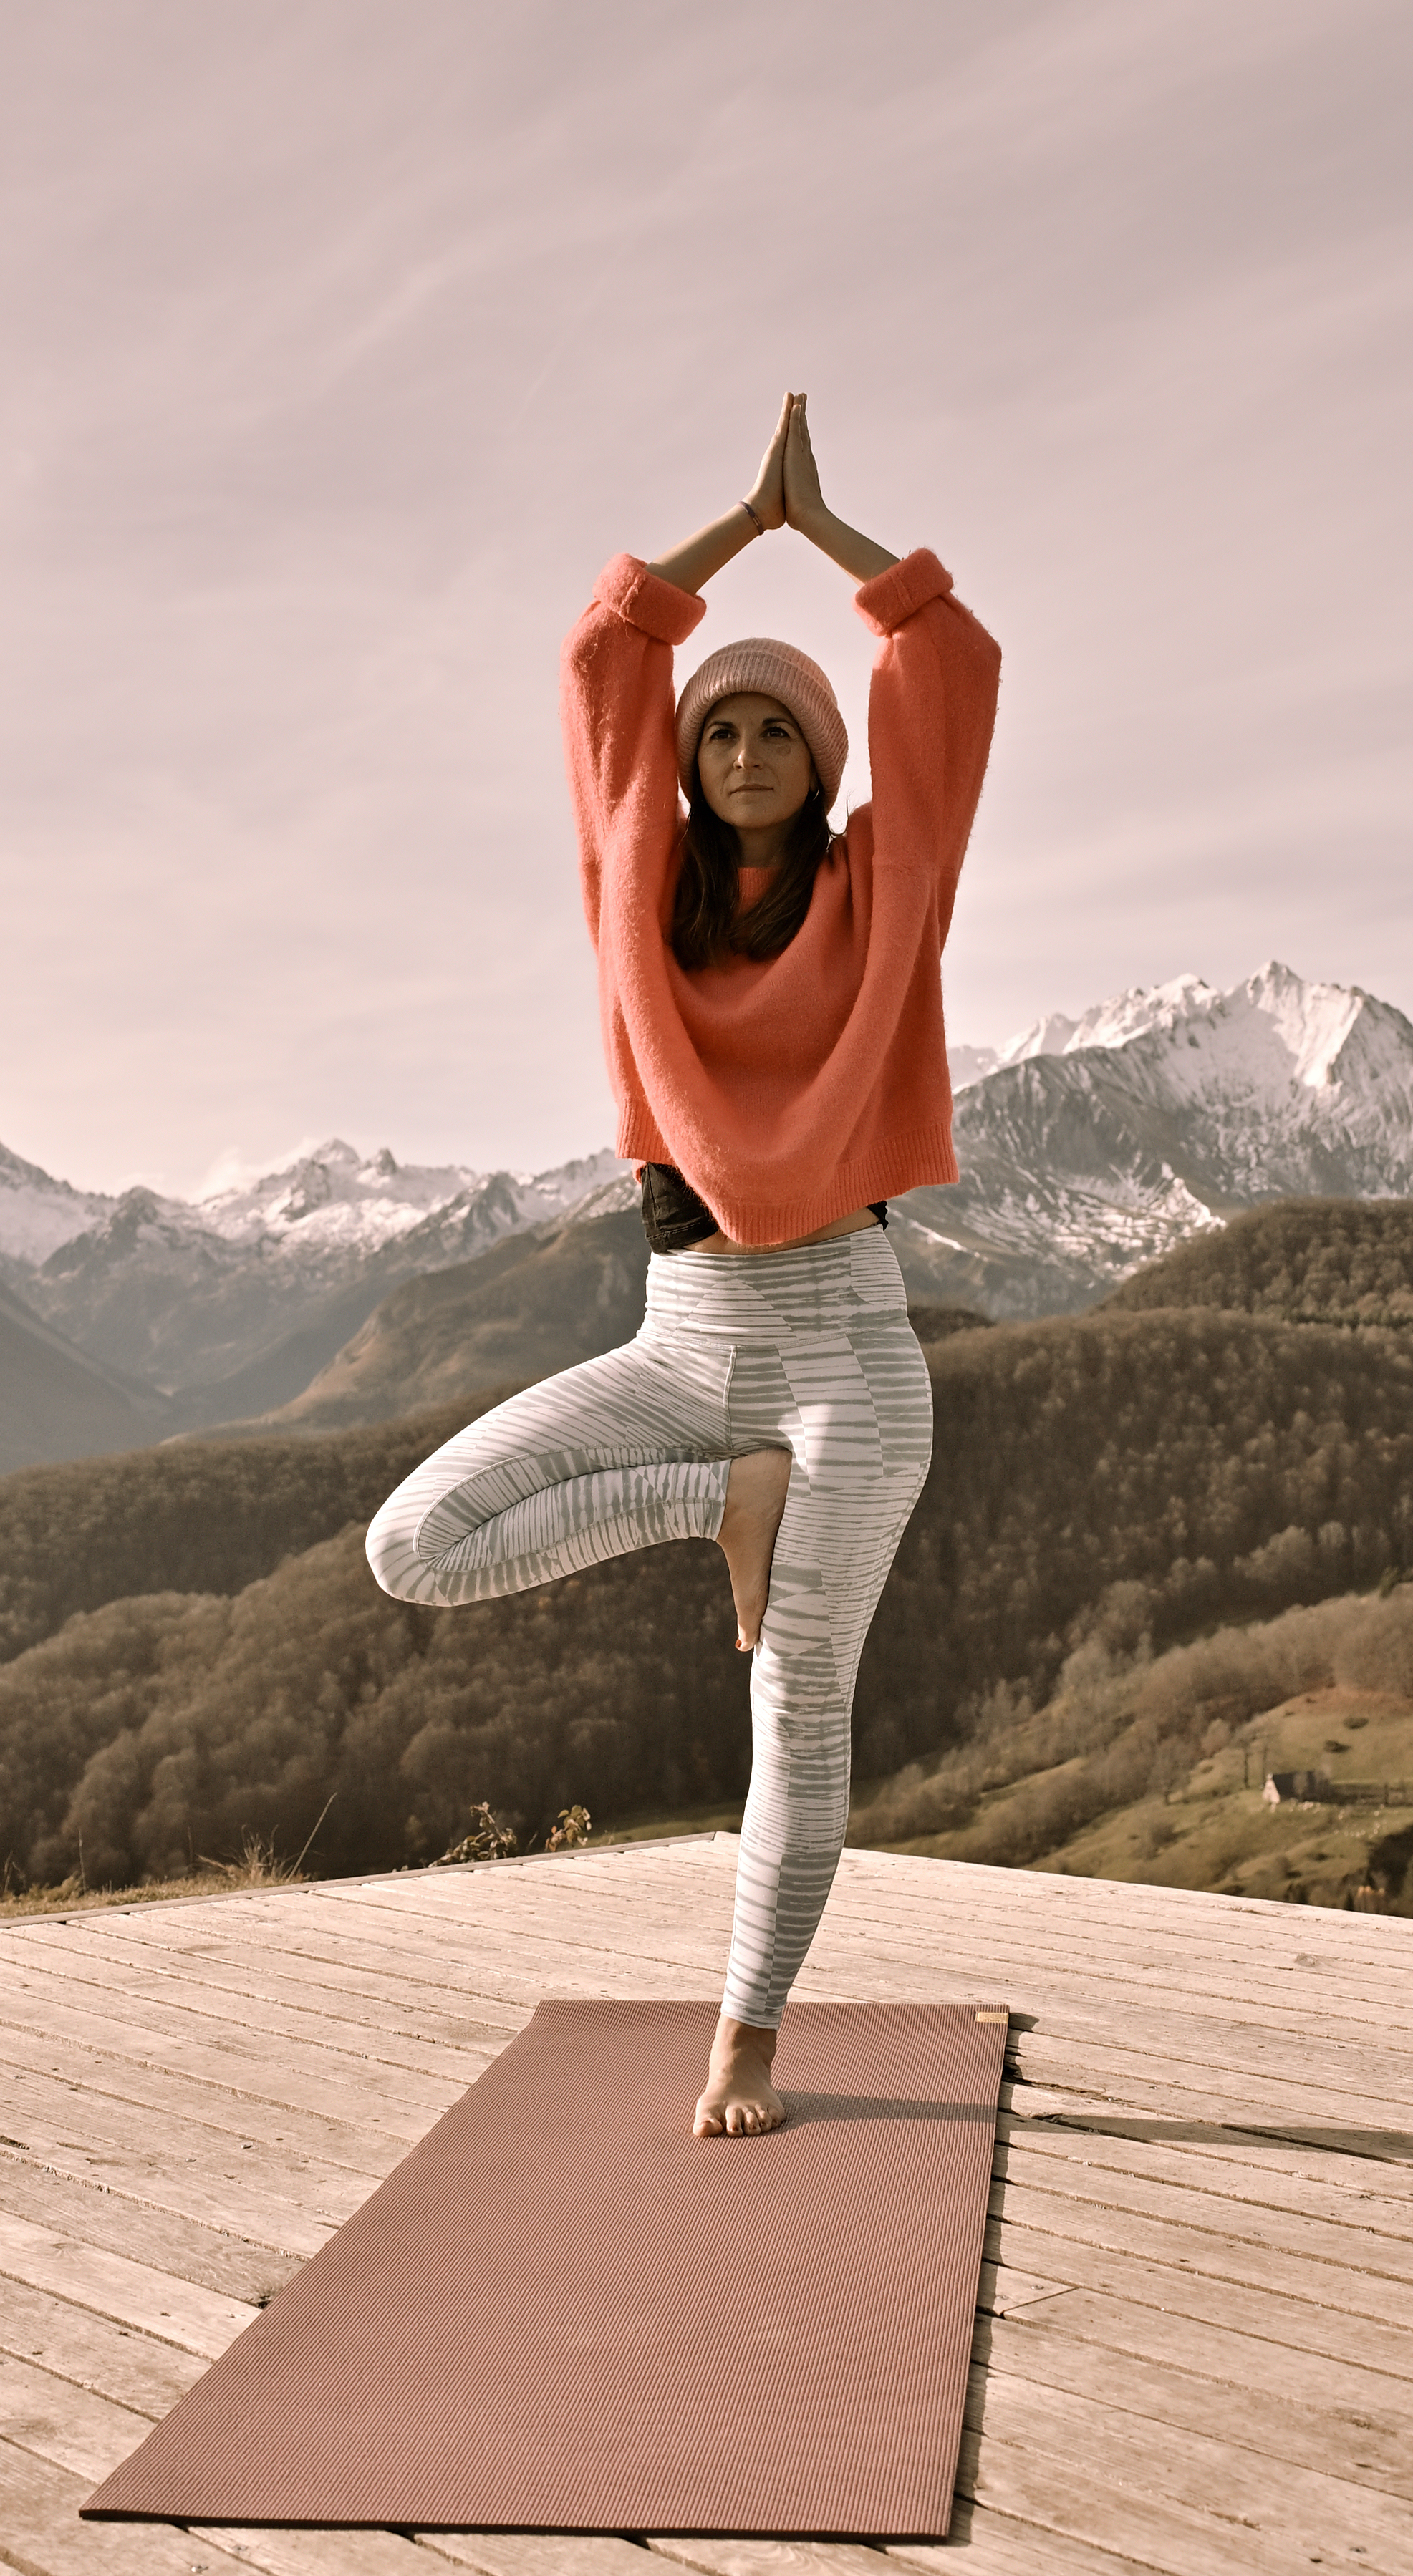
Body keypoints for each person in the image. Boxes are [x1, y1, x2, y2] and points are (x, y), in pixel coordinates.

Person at [366, 392, 1000, 2138]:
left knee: (798, 1713)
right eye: (715, 731)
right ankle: (715, 1501)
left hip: (846, 1352)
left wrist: (841, 540)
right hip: (682, 1345)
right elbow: (599, 658)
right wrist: (738, 527)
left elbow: (952, 666)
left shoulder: (889, 896)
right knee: (414, 1544)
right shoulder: (632, 893)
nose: (737, 756)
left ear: (820, 762)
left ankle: (748, 2038)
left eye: (774, 735)